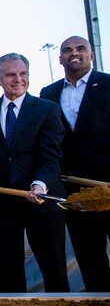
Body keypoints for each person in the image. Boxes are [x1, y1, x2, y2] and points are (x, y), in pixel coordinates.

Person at [0, 53, 69, 293]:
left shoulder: (47, 110)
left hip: (41, 199)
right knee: (7, 266)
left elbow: (51, 155)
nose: (18, 79)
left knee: (53, 265)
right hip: (3, 201)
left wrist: (39, 184)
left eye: (23, 74)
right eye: (11, 75)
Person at [40, 36, 109, 291]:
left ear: (91, 54)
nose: (74, 54)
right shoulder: (49, 93)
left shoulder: (108, 85)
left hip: (107, 184)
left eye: (80, 49)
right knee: (89, 253)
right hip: (73, 189)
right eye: (67, 50)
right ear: (60, 59)